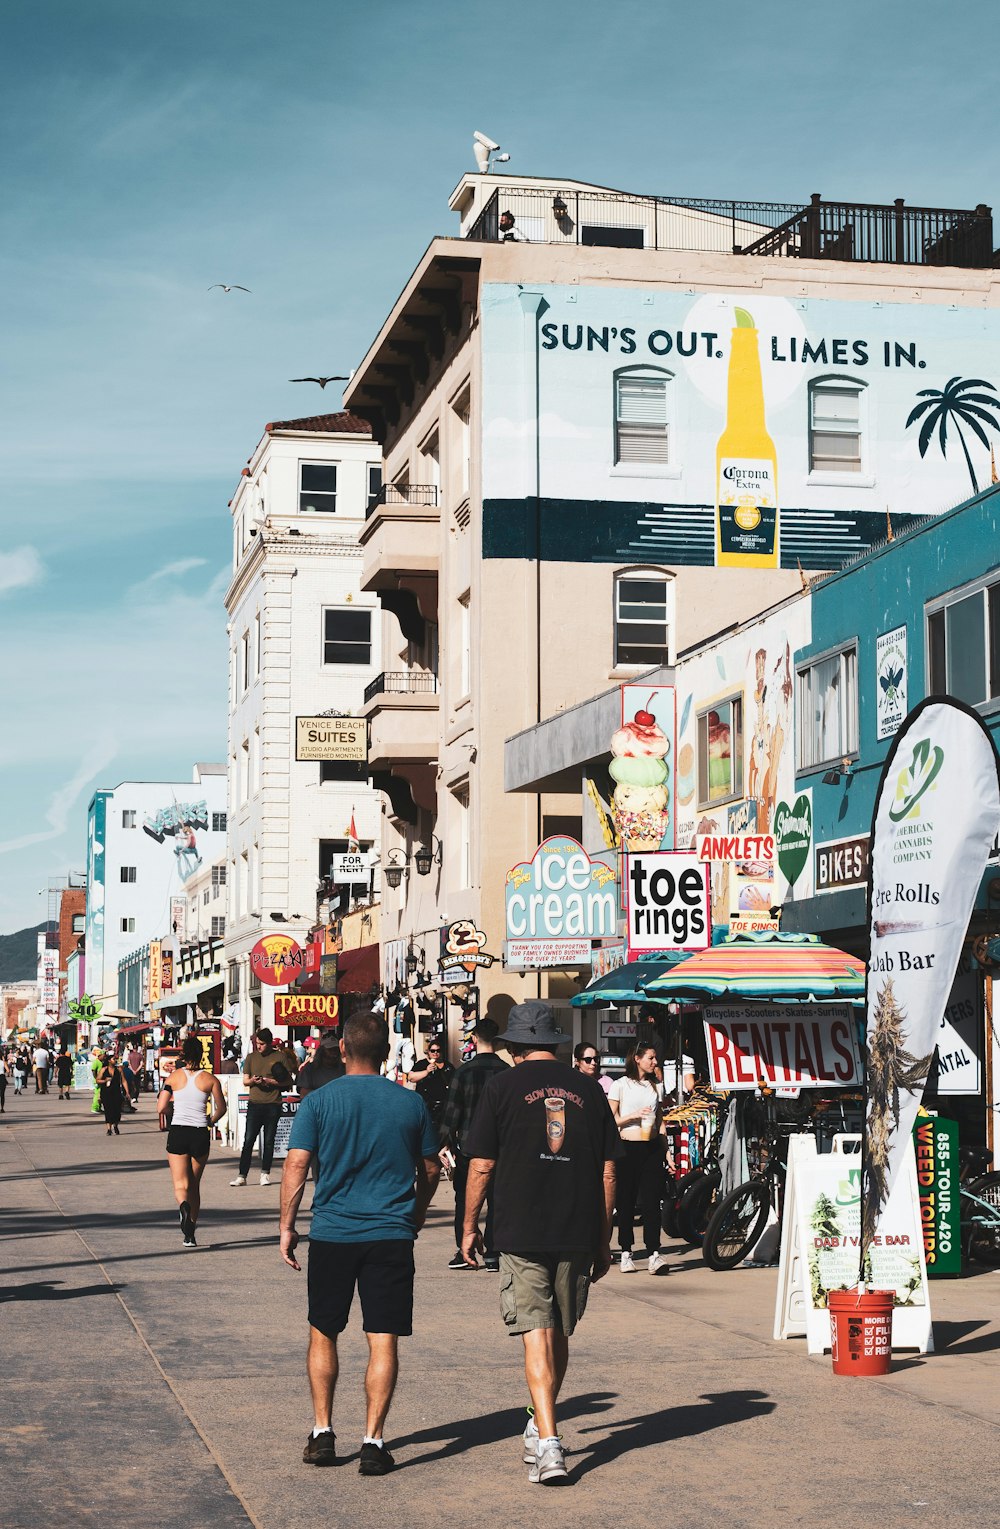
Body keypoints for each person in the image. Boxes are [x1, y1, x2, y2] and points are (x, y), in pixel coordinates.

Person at [461, 1001, 621, 1485]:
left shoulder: (501, 1087)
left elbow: (482, 1164)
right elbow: (609, 1170)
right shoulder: (589, 1090)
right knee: (560, 1331)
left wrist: (469, 1226)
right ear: (554, 1044)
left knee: (537, 1330)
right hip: (576, 1227)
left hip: (520, 1228)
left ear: (513, 1046)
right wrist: (602, 1234)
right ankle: (541, 1421)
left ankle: (549, 1443)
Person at [279, 1011, 441, 1476]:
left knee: (324, 1330)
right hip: (391, 1234)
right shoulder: (410, 1104)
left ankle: (323, 1432)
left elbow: (295, 1166)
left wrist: (287, 1226)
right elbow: (430, 1169)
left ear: (343, 1050)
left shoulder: (319, 1101)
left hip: (332, 1233)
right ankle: (373, 1441)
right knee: (383, 1336)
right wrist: (417, 1211)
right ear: (386, 1053)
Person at [439, 1017, 508, 1272]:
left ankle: (464, 1249)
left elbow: (451, 1113)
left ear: (474, 1038)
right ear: (497, 1041)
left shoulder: (463, 1072)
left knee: (464, 1200)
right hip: (500, 1147)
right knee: (496, 1201)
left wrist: (443, 1142)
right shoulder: (506, 1072)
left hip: (468, 1146)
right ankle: (493, 1251)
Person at [158, 1035, 227, 1249]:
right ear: (202, 1055)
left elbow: (161, 1107)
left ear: (183, 1055)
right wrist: (211, 1120)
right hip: (199, 1132)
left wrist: (172, 1111)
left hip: (178, 1131)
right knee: (194, 1185)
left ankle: (183, 1207)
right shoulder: (210, 1079)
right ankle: (191, 1234)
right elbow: (221, 1108)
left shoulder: (173, 1078)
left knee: (181, 1184)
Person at [607, 1043, 668, 1275]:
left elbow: (660, 1119)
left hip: (651, 1148)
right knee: (626, 1202)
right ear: (637, 1058)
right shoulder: (620, 1085)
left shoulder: (654, 1087)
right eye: (651, 1058)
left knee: (653, 1202)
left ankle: (654, 1253)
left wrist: (667, 1150)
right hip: (627, 1148)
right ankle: (626, 1251)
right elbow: (610, 1120)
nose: (655, 1062)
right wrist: (632, 1116)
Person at [231, 1029, 291, 1187]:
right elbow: (245, 1081)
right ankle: (242, 1175)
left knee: (269, 1141)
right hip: (255, 1103)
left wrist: (270, 1082)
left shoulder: (280, 1057)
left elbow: (288, 1083)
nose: (259, 1046)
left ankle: (265, 1174)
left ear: (270, 1043)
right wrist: (253, 1081)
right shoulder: (251, 1057)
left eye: (262, 1044)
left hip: (273, 1104)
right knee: (248, 1140)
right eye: (257, 1043)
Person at [414, 1039, 453, 1133]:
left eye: (438, 1051)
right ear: (428, 1052)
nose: (435, 1053)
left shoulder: (448, 1066)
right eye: (433, 1051)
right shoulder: (422, 1064)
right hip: (425, 1104)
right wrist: (426, 1072)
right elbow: (411, 1077)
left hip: (443, 1106)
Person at [97, 1054, 128, 1136]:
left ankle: (116, 1125)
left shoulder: (119, 1070)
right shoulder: (104, 1070)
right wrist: (104, 1081)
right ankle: (109, 1129)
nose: (115, 1060)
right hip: (106, 1093)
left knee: (117, 1111)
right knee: (108, 1111)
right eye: (113, 1059)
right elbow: (97, 1080)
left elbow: (124, 1081)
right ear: (109, 1061)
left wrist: (127, 1092)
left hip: (116, 1093)